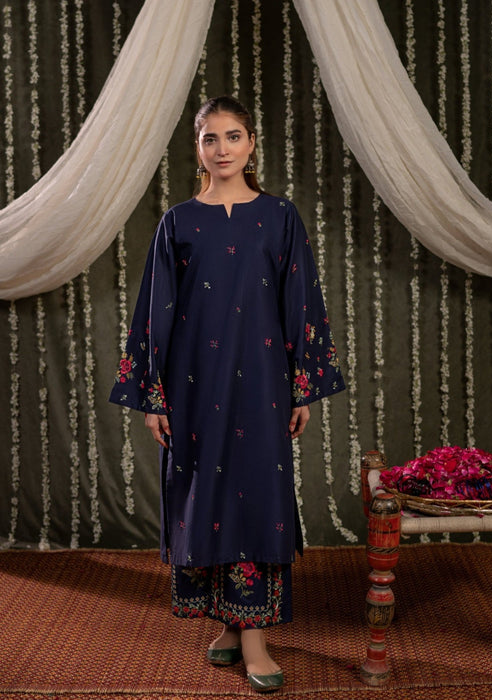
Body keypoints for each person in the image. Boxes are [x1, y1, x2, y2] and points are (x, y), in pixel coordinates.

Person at [110, 95, 345, 693]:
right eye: (209, 138)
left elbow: (301, 304)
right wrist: (154, 397)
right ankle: (226, 623)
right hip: (194, 384)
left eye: (232, 136)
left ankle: (257, 637)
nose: (222, 149)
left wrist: (302, 389)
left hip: (263, 381)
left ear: (252, 143)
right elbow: (155, 312)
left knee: (257, 495)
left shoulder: (280, 217)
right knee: (204, 494)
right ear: (197, 148)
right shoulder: (178, 222)